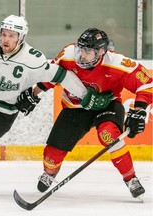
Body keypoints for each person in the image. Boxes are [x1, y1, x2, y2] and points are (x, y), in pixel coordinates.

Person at [0, 17, 113, 195]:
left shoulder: (33, 60)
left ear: (21, 38)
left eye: (11, 35)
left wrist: (85, 95)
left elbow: (62, 75)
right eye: (3, 34)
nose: (5, 39)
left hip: (5, 112)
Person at [16, 28, 152, 199]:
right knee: (51, 156)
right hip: (75, 108)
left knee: (109, 135)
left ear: (101, 52)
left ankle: (131, 179)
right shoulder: (68, 54)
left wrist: (139, 111)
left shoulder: (118, 63)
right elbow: (52, 75)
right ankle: (50, 173)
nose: (81, 55)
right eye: (80, 49)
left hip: (107, 106)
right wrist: (35, 92)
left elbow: (147, 84)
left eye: (88, 51)